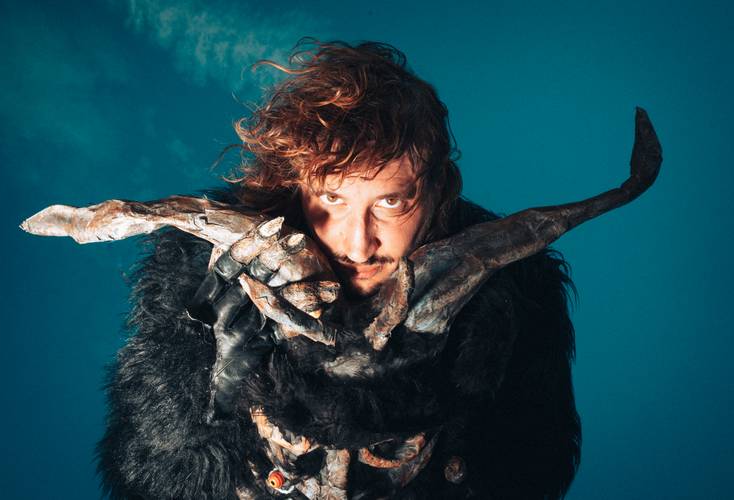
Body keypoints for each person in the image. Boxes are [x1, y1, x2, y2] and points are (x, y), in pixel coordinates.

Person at [97, 40, 582, 499]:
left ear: (437, 193)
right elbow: (146, 474)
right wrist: (206, 394)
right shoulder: (202, 283)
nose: (357, 245)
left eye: (390, 202)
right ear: (294, 189)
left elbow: (535, 469)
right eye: (332, 198)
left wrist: (447, 392)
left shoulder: (511, 298)